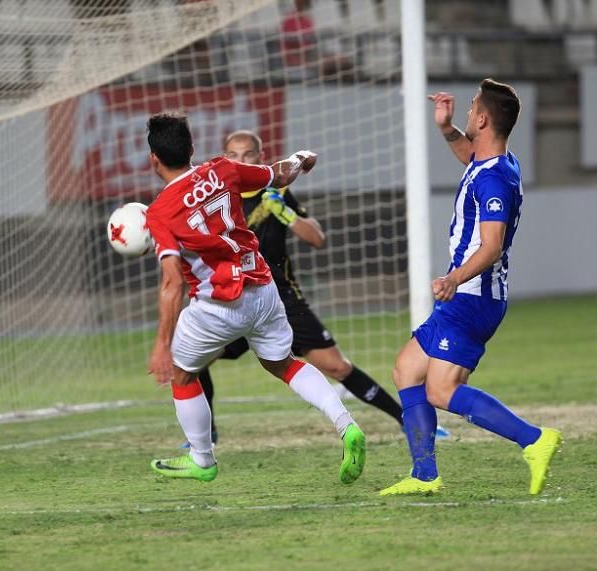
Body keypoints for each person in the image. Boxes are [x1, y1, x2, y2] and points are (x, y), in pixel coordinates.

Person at [183, 130, 449, 446]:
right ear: (224, 158)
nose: (240, 161)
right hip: (233, 298)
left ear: (261, 157)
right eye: (233, 155)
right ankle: (206, 436)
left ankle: (405, 420)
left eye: (248, 155)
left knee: (337, 366)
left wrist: (285, 212)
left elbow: (316, 238)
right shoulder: (215, 197)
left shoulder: (274, 193)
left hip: (280, 299)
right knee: (196, 359)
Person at [143, 112, 366, 483]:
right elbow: (279, 173)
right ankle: (346, 425)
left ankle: (202, 458)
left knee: (182, 374)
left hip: (217, 305)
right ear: (193, 148)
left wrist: (161, 344)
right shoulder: (222, 170)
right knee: (284, 364)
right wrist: (302, 157)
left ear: (154, 159)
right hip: (263, 289)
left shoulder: (159, 213)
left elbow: (172, 284)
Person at [380, 80, 561, 497]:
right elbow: (471, 156)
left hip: (473, 296)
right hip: (470, 295)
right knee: (407, 369)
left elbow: (492, 245)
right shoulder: (496, 163)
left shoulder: (494, 178)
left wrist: (453, 278)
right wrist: (445, 129)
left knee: (440, 389)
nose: (466, 113)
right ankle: (424, 475)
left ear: (482, 119)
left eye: (471, 109)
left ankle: (534, 439)